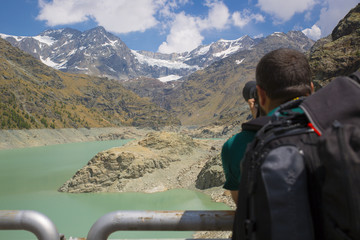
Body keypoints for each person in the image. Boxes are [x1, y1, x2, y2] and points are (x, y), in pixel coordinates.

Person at [221, 48, 314, 204]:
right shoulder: (339, 128)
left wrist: (257, 119)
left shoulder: (235, 145)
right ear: (311, 89)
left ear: (261, 96)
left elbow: (242, 202)